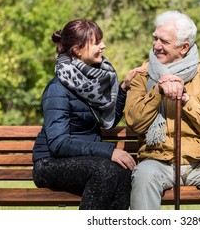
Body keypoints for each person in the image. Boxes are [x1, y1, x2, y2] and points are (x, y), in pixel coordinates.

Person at [125, 10, 200, 210]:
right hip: (158, 159)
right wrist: (158, 91)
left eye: (163, 41)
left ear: (184, 47)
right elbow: (135, 122)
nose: (156, 45)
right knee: (144, 177)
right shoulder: (142, 74)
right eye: (155, 38)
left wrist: (186, 99)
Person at [32, 19, 141, 210]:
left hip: (86, 160)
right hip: (50, 163)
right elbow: (59, 144)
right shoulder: (57, 89)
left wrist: (123, 88)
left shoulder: (95, 83)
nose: (103, 46)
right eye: (97, 42)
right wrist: (110, 151)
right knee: (104, 171)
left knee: (124, 173)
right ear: (77, 50)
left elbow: (107, 121)